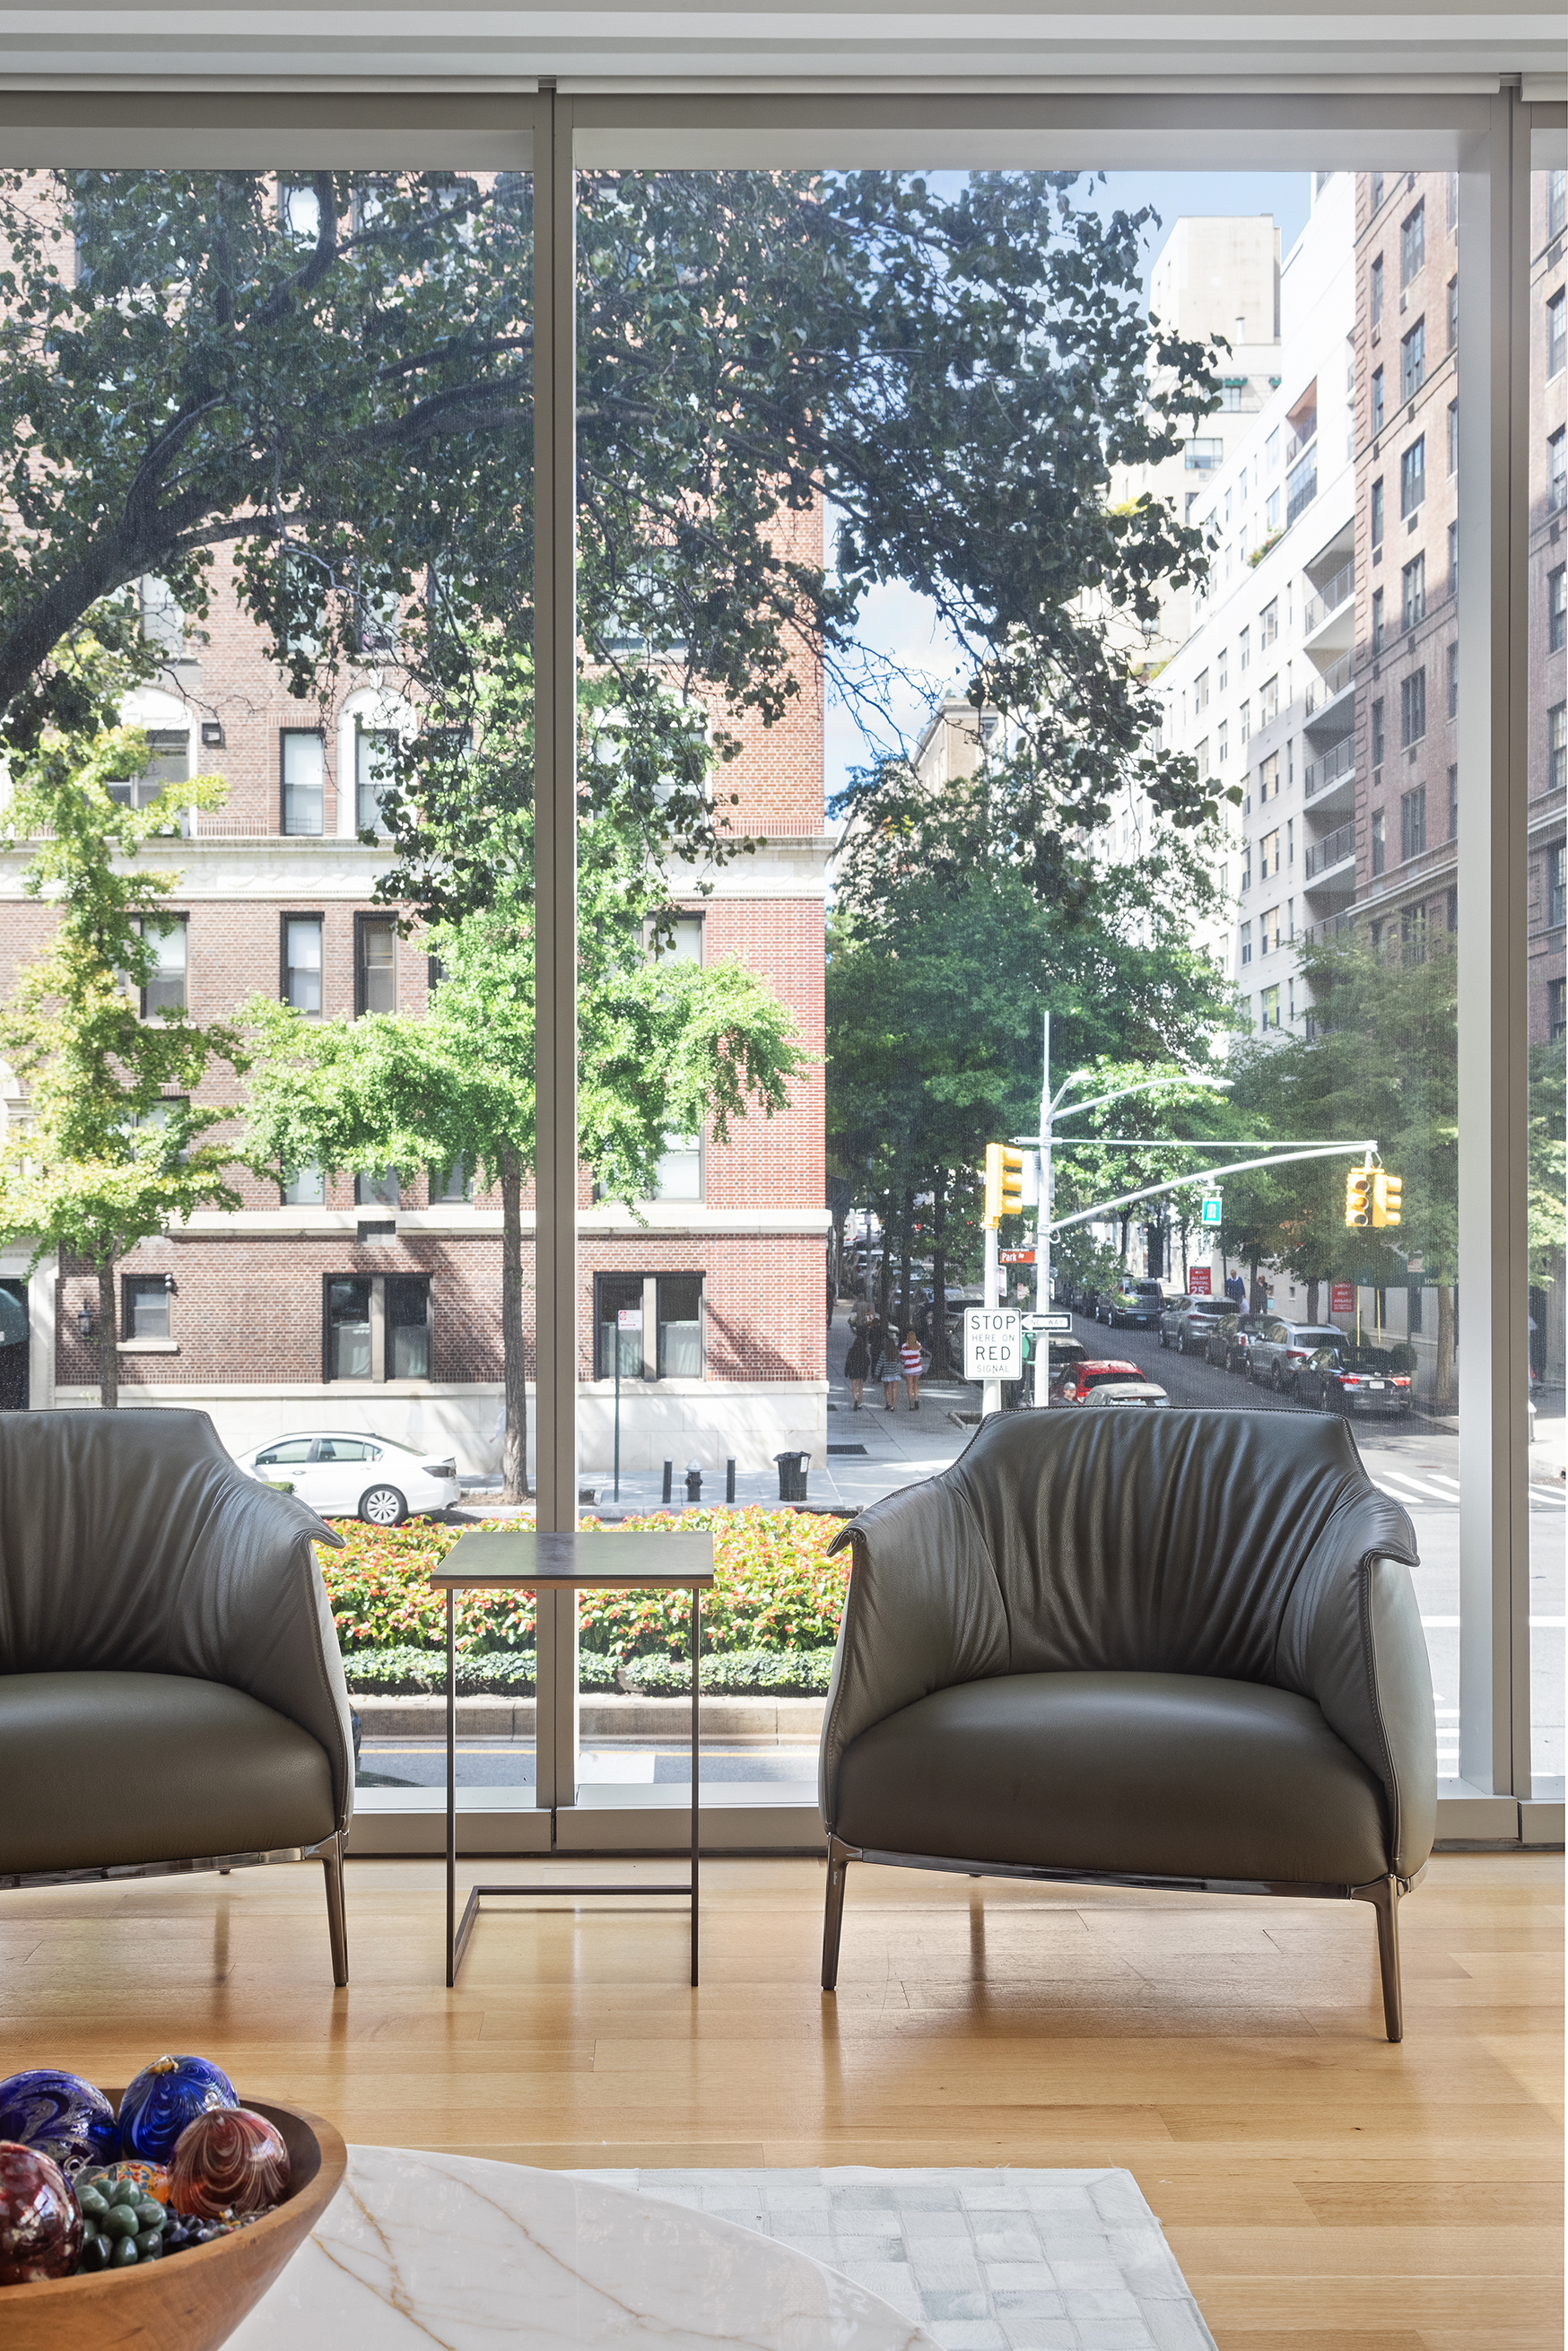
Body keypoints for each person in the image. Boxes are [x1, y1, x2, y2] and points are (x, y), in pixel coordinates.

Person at [844, 1319, 871, 1409]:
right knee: (860, 1388)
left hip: (853, 1371)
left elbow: (848, 1361)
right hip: (861, 1371)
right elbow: (868, 1362)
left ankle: (855, 1399)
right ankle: (859, 1404)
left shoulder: (851, 1351)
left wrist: (846, 1371)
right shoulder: (864, 1352)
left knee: (854, 1387)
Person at [875, 1327, 902, 1411]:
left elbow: (880, 1364)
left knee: (886, 1389)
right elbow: (900, 1361)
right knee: (894, 1389)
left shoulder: (884, 1353)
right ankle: (893, 1406)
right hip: (895, 1373)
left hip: (886, 1373)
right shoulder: (896, 1353)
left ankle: (887, 1403)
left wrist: (876, 1374)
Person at [900, 1326, 926, 1410]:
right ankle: (916, 1399)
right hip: (917, 1367)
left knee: (909, 1386)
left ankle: (911, 1405)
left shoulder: (904, 1346)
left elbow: (903, 1358)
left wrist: (903, 1362)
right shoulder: (917, 1345)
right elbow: (920, 1348)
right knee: (916, 1385)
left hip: (909, 1368)